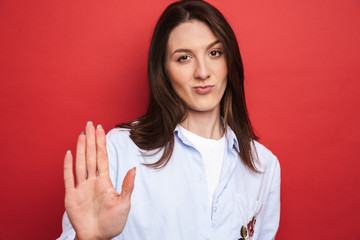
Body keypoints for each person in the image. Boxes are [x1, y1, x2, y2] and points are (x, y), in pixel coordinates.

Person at [58, 0, 281, 239]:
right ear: (162, 70)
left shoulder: (264, 166)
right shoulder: (120, 150)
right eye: (184, 58)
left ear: (230, 62)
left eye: (215, 53)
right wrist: (89, 238)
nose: (203, 72)